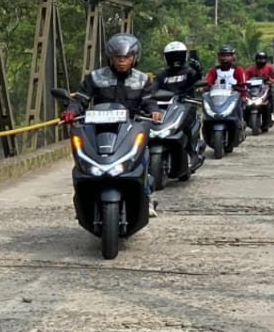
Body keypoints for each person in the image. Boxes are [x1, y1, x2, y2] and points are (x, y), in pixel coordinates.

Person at [58, 33, 161, 212]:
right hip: (99, 128)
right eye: (118, 57)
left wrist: (154, 111)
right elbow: (81, 98)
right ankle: (84, 200)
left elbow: (149, 100)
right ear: (110, 58)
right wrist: (71, 111)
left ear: (134, 58)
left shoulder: (143, 80)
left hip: (130, 127)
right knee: (82, 157)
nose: (122, 61)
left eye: (126, 57)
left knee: (142, 155)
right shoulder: (95, 77)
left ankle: (146, 195)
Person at [153, 40, 203, 159]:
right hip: (166, 107)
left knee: (184, 126)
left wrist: (199, 70)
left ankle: (191, 152)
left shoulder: (189, 72)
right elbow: (152, 89)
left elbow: (197, 79)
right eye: (172, 56)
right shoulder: (161, 75)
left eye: (178, 55)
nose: (175, 59)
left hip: (186, 106)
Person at [244, 50, 274, 126]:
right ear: (256, 59)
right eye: (259, 59)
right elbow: (245, 76)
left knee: (270, 101)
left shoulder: (270, 67)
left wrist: (273, 80)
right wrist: (244, 81)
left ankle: (271, 113)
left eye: (263, 59)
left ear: (266, 59)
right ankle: (244, 118)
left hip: (265, 90)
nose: (261, 61)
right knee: (244, 103)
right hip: (254, 90)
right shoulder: (251, 69)